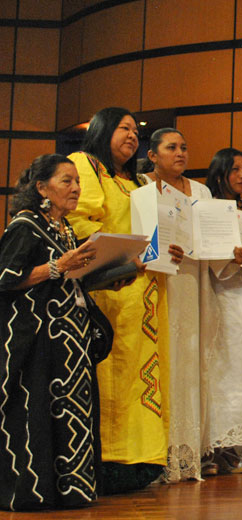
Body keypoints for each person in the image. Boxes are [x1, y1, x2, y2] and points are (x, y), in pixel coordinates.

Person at [67, 107, 180, 493]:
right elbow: (79, 222)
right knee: (112, 376)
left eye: (136, 131)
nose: (133, 136)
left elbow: (152, 232)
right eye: (124, 128)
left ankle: (142, 459)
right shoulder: (86, 166)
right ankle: (109, 460)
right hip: (109, 291)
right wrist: (125, 255)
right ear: (101, 130)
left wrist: (169, 251)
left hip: (145, 295)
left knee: (143, 379)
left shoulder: (134, 183)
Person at [0, 154, 115, 510]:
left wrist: (129, 266)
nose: (77, 188)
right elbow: (5, 277)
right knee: (36, 413)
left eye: (78, 181)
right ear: (41, 188)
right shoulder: (25, 225)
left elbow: (77, 279)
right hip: (37, 343)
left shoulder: (65, 230)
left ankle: (72, 490)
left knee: (69, 413)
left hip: (70, 343)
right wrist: (57, 266)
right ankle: (33, 494)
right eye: (67, 181)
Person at [142, 128, 242, 481]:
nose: (180, 153)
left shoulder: (202, 190)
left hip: (198, 282)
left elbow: (213, 242)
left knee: (200, 363)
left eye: (184, 147)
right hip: (161, 280)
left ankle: (196, 449)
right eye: (171, 148)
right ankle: (161, 453)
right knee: (168, 361)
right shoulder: (141, 186)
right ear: (153, 155)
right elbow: (140, 235)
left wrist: (234, 254)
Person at [203, 148, 242, 474]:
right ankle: (214, 445)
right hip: (223, 293)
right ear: (219, 174)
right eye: (235, 169)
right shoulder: (211, 207)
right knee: (224, 369)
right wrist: (232, 259)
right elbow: (209, 253)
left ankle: (238, 447)